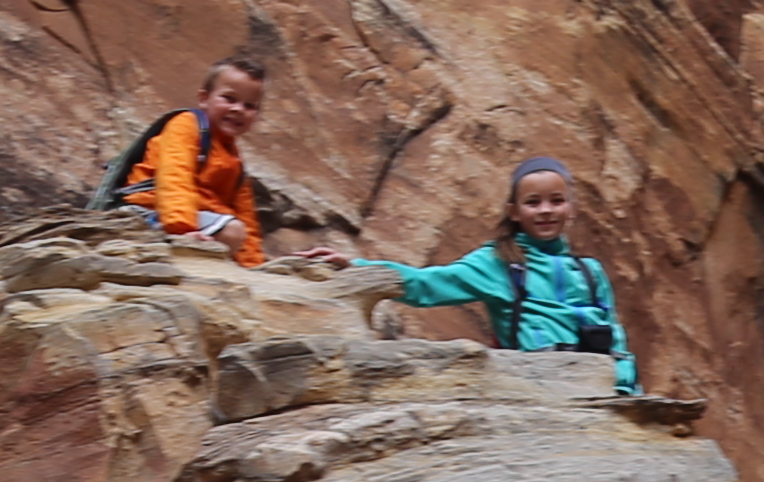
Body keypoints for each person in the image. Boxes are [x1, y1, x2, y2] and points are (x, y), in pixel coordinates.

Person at [355, 156, 638, 391]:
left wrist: (627, 391)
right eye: (533, 202)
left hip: (600, 393)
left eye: (556, 200)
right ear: (513, 212)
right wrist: (354, 268)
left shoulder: (590, 271)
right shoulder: (498, 263)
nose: (546, 210)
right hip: (539, 392)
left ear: (572, 208)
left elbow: (616, 342)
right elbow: (426, 285)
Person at [106, 56, 339, 269]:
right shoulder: (186, 125)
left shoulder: (234, 162)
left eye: (250, 106)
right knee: (230, 229)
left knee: (236, 227)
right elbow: (175, 176)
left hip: (189, 221)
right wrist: (183, 230)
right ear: (204, 98)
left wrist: (254, 266)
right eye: (229, 98)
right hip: (148, 211)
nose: (238, 109)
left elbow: (247, 220)